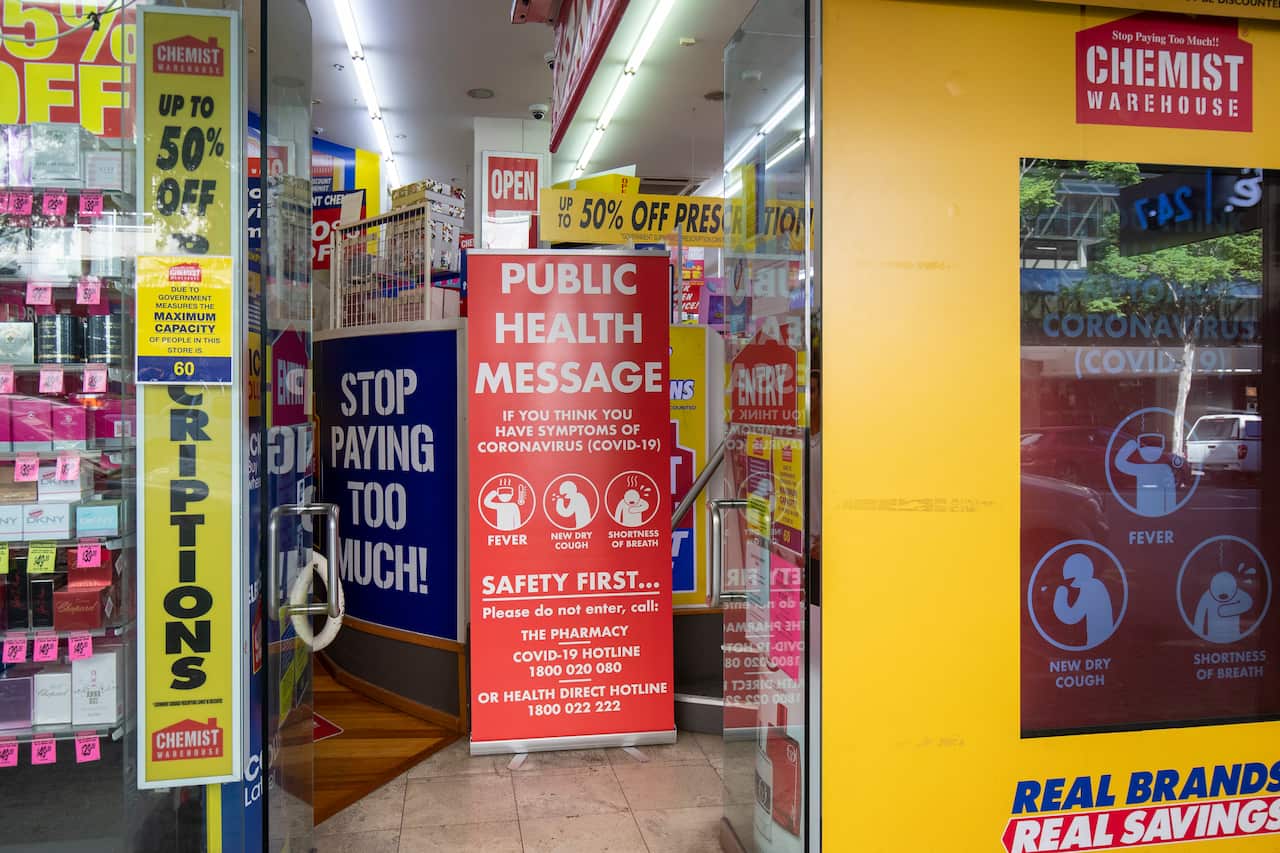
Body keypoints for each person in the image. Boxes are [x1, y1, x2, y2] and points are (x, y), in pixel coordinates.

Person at [1053, 553, 1115, 648]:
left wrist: (1060, 594)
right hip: (1099, 644)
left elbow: (1071, 616)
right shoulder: (1095, 585)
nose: (1071, 584)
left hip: (1099, 645)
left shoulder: (1092, 586)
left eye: (1072, 580)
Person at [1115, 435, 1176, 517]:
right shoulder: (1163, 467)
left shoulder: (1141, 468)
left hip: (1147, 508)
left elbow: (1119, 463)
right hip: (1155, 508)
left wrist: (1131, 444)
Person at [1193, 571, 1252, 643]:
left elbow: (1248, 602)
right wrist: (1198, 635)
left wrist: (1225, 610)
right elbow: (1200, 616)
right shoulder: (1207, 596)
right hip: (1213, 635)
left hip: (1233, 634)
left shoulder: (1238, 593)